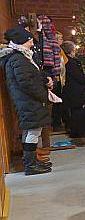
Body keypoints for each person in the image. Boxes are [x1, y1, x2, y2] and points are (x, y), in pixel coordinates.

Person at [0, 27, 53, 175]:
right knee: (33, 130)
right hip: (27, 100)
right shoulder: (18, 59)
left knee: (32, 130)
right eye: (29, 40)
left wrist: (45, 80)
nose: (31, 43)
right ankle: (30, 165)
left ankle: (32, 160)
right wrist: (43, 94)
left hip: (27, 100)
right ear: (21, 41)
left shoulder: (21, 57)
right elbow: (26, 82)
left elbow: (33, 75)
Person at [60, 41, 85, 139]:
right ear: (72, 50)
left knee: (74, 111)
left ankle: (76, 130)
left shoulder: (66, 61)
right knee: (77, 111)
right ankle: (77, 132)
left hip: (71, 89)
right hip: (75, 90)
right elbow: (78, 77)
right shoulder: (71, 62)